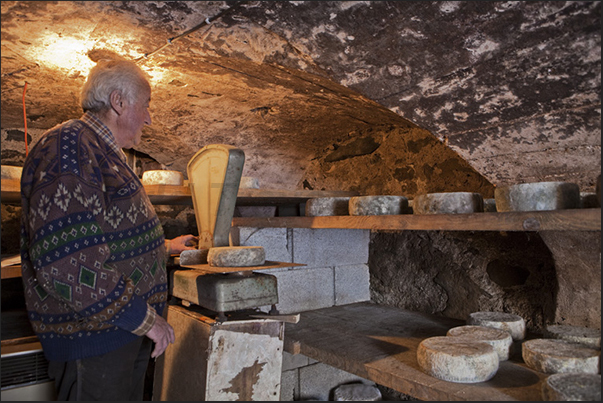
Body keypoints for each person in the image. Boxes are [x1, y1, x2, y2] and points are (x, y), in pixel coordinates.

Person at [19, 58, 196, 400]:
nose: (148, 117)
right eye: (145, 105)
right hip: (96, 337)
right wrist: (145, 318)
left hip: (116, 332)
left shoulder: (100, 151)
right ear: (118, 102)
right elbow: (67, 263)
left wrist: (162, 247)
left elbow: (103, 236)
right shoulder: (68, 145)